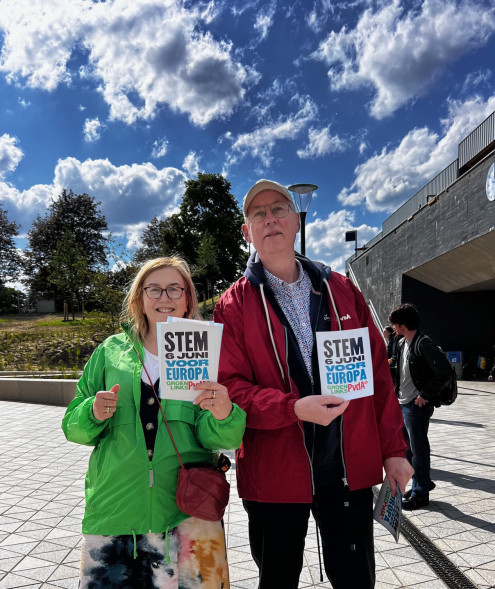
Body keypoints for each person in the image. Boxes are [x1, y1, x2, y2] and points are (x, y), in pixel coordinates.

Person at [213, 179, 412, 589]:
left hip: (346, 465)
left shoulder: (339, 289)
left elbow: (377, 374)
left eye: (279, 209)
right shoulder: (233, 305)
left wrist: (394, 450)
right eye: (258, 214)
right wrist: (292, 408)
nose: (270, 219)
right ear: (247, 231)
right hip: (275, 471)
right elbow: (231, 389)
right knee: (278, 578)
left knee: (356, 579)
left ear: (296, 222)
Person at [62, 256, 246, 589]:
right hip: (116, 513)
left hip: (187, 518)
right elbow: (72, 426)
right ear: (139, 300)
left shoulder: (202, 352)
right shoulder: (110, 352)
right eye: (154, 289)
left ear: (188, 298)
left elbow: (217, 437)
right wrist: (92, 411)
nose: (165, 297)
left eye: (175, 288)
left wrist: (223, 413)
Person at [388, 303, 450, 511]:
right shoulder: (401, 342)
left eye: (395, 324)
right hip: (402, 403)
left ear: (403, 324)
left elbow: (444, 371)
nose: (393, 327)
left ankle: (421, 494)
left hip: (416, 406)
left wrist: (425, 395)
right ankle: (419, 484)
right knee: (407, 449)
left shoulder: (423, 343)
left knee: (418, 450)